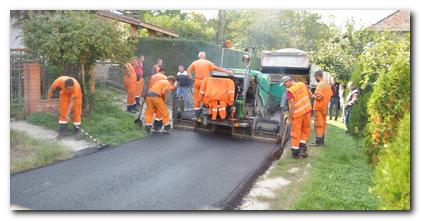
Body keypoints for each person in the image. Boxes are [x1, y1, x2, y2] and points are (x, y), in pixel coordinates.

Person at [187, 51, 234, 120]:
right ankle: (205, 113)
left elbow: (188, 70)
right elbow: (217, 68)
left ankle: (196, 115)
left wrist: (192, 78)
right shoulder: (208, 63)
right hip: (205, 82)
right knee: (205, 97)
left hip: (197, 81)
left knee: (197, 99)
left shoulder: (194, 63)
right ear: (204, 56)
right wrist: (227, 72)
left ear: (199, 56)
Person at [281, 76, 312, 159]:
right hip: (307, 111)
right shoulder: (302, 84)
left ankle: (295, 152)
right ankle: (302, 149)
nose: (284, 86)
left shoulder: (290, 91)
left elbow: (291, 106)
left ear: (288, 81)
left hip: (298, 114)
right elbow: (310, 95)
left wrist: (290, 119)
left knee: (295, 132)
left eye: (284, 84)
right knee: (305, 130)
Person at [311, 71, 333, 146]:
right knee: (323, 123)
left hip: (318, 107)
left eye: (315, 77)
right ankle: (322, 139)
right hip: (324, 107)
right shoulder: (327, 84)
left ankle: (318, 141)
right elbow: (330, 94)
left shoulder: (320, 85)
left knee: (318, 124)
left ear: (317, 76)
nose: (315, 79)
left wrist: (313, 95)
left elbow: (319, 97)